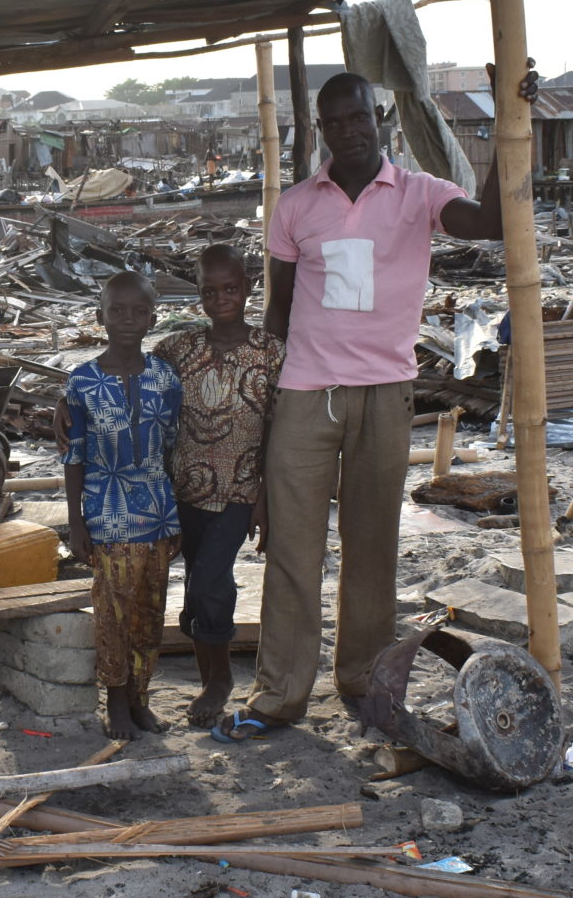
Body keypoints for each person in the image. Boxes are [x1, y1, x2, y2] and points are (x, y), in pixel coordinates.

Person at [211, 72, 502, 743]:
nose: (347, 130)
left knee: (372, 549)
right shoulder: (294, 207)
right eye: (332, 121)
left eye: (357, 117)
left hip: (385, 394)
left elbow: (488, 224)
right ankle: (280, 695)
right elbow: (278, 312)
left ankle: (363, 681)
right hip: (306, 394)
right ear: (319, 129)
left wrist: (520, 128)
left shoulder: (420, 194)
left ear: (379, 119)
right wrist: (259, 408)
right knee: (292, 548)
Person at [154, 245, 283, 726]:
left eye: (230, 289)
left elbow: (276, 429)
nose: (221, 299)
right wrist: (68, 400)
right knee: (195, 580)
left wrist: (264, 501)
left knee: (211, 577)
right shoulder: (177, 349)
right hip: (183, 488)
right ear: (200, 295)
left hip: (239, 491)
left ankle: (219, 680)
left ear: (246, 288)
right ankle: (209, 671)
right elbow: (127, 372)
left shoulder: (270, 351)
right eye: (210, 291)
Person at [62, 271, 183, 740]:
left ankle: (140, 699)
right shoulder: (82, 382)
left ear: (153, 318)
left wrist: (176, 515)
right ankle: (115, 703)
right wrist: (76, 523)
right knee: (112, 613)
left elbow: (170, 448)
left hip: (156, 513)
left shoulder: (164, 377)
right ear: (100, 316)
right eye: (117, 311)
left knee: (150, 613)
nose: (128, 320)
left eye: (138, 311)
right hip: (106, 516)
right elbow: (74, 457)